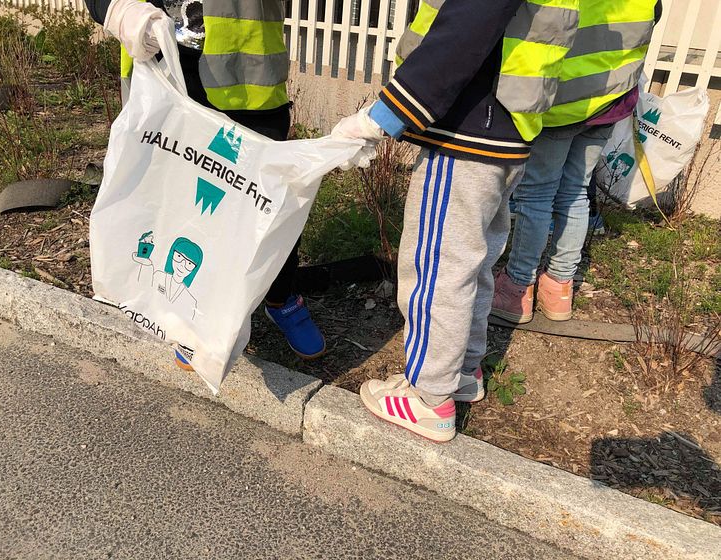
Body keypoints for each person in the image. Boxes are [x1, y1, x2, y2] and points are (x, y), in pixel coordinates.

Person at [332, 0, 586, 441]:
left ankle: (429, 398)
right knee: (473, 261)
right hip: (510, 126)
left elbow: (467, 25)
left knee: (437, 267)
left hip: (468, 129)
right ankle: (463, 372)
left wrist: (384, 116)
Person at [85, 0, 327, 366]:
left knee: (263, 202)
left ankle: (279, 297)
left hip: (249, 81)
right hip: (162, 70)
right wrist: (117, 8)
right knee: (180, 202)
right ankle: (195, 316)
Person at [491, 1, 662, 324]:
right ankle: (559, 287)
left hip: (562, 99)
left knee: (537, 195)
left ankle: (517, 286)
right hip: (610, 98)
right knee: (576, 191)